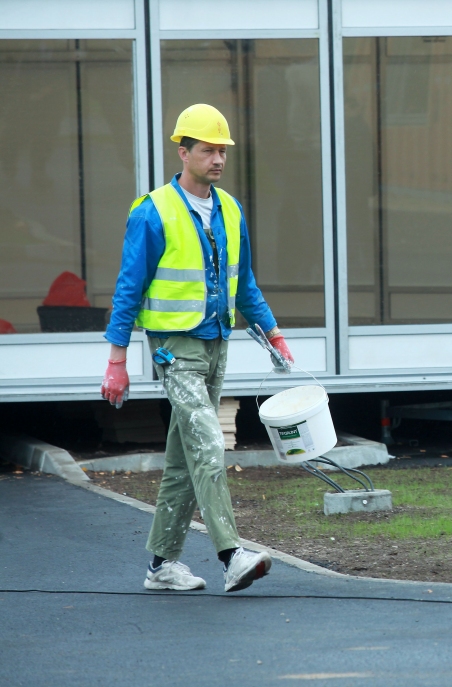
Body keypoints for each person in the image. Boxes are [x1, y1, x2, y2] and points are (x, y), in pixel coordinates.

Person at [100, 104, 294, 593]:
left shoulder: (230, 209)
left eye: (222, 150)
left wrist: (273, 333)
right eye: (208, 150)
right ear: (183, 152)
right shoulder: (152, 211)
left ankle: (160, 566)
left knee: (184, 460)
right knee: (208, 446)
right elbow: (128, 289)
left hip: (216, 347)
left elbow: (243, 282)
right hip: (174, 350)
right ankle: (231, 556)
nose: (218, 159)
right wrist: (117, 362)